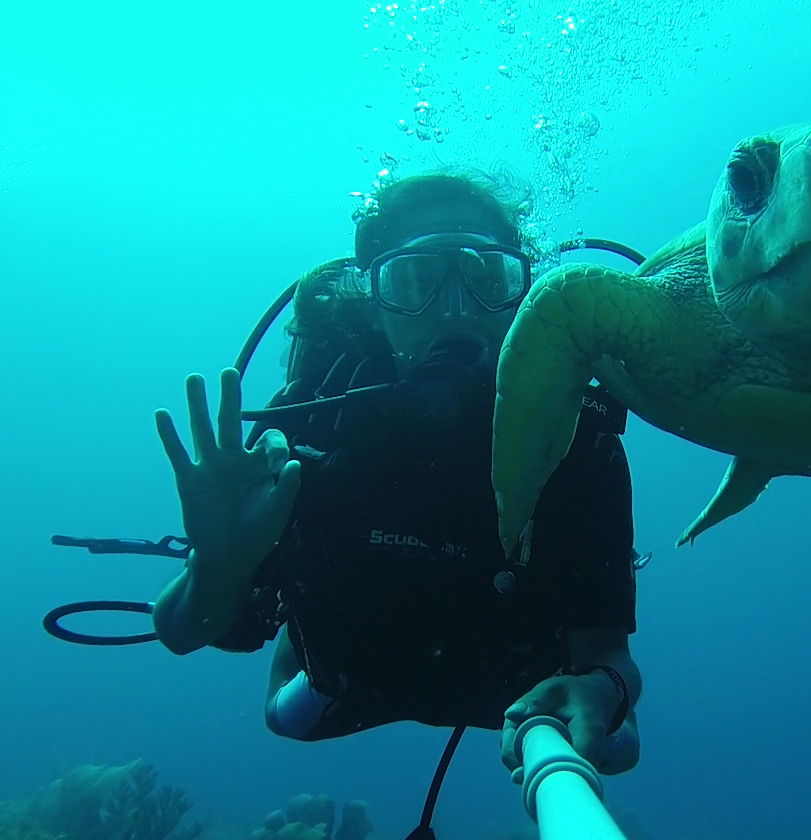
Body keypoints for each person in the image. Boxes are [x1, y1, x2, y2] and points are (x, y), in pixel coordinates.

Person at [148, 171, 642, 793]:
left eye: (488, 279)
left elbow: (609, 652)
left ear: (523, 296)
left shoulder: (575, 438)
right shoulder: (316, 427)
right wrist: (219, 563)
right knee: (287, 717)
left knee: (616, 744)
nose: (455, 309)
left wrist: (600, 689)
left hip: (527, 699)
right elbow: (184, 631)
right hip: (346, 685)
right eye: (413, 281)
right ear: (376, 305)